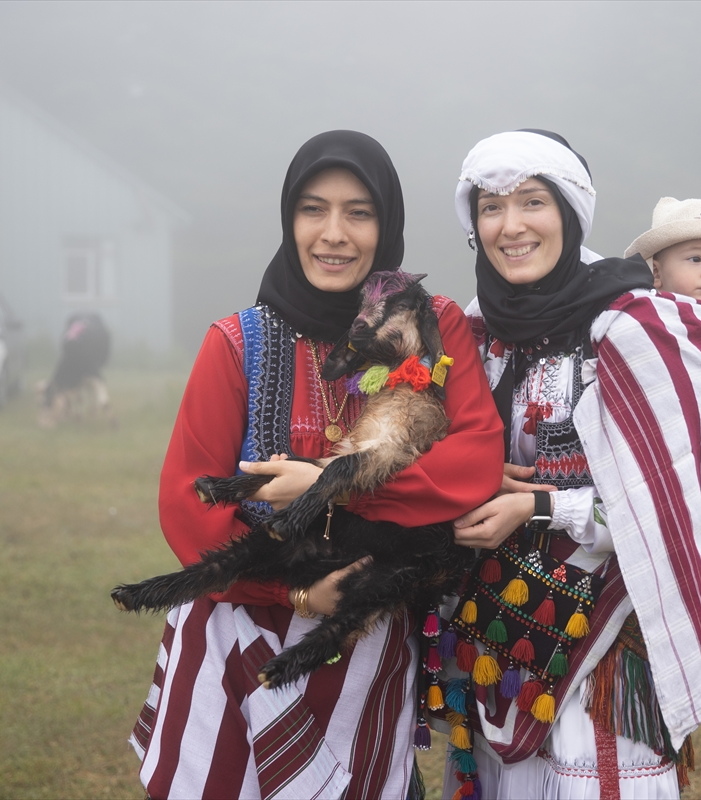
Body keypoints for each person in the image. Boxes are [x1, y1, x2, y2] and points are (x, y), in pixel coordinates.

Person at [126, 130, 503, 800]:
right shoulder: (235, 344)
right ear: (288, 219)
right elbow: (187, 504)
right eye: (312, 209)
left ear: (386, 225)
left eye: (358, 212)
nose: (334, 233)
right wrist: (290, 594)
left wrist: (334, 493)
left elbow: (474, 458)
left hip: (370, 641)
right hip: (238, 637)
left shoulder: (431, 324)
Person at [436, 130, 701, 799]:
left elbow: (671, 507)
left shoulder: (632, 327)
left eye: (532, 202)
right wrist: (467, 474)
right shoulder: (472, 330)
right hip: (497, 631)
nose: (511, 225)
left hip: (604, 636)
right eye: (491, 208)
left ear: (570, 211)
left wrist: (539, 505)